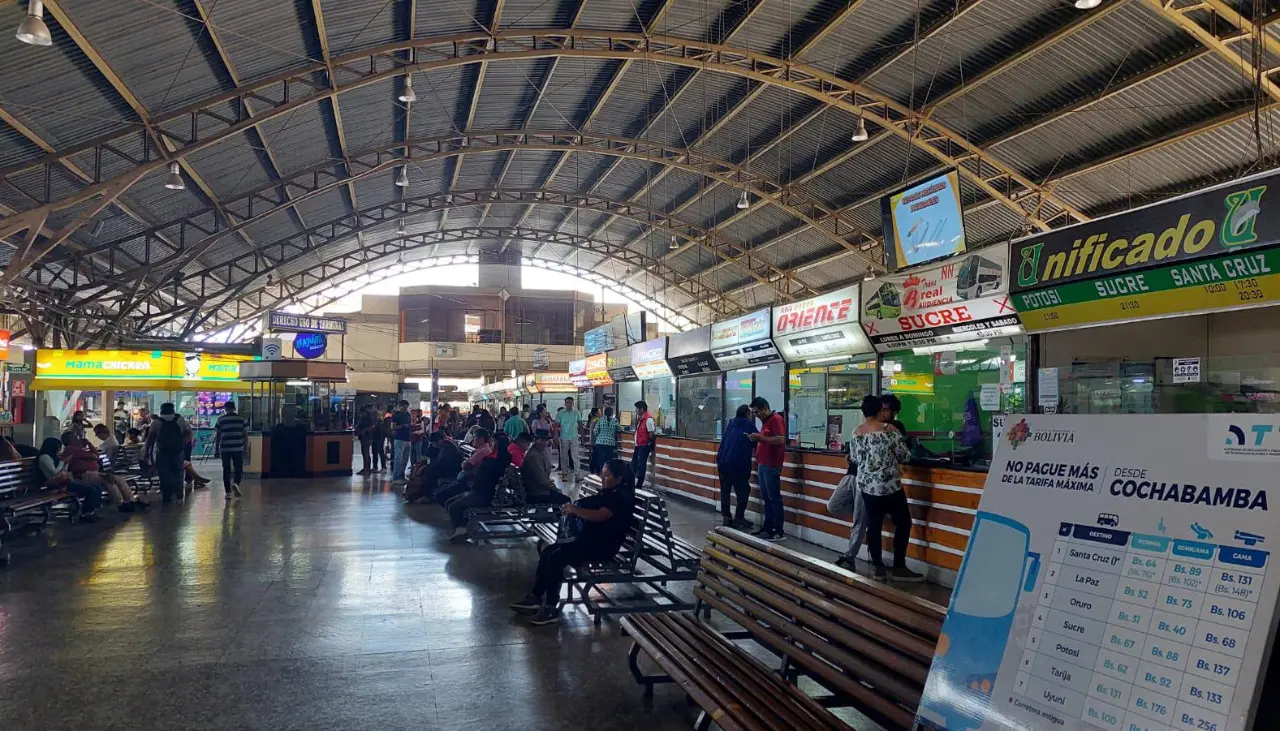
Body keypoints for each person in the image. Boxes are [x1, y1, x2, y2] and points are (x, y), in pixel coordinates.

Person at [510, 458, 637, 625]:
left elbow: (600, 515)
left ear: (619, 479)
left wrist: (575, 510)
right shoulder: (612, 492)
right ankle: (536, 596)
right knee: (549, 551)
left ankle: (550, 607)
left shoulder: (621, 497)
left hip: (603, 547)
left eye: (606, 475)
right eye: (602, 474)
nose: (602, 478)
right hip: (592, 540)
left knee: (557, 557)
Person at [849, 395, 921, 583]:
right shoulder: (889, 430)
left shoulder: (856, 432)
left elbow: (855, 459)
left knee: (874, 525)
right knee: (903, 523)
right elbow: (904, 455)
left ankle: (878, 568)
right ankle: (899, 567)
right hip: (889, 486)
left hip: (866, 487)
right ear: (879, 410)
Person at [447, 432, 511, 543]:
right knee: (450, 502)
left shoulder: (494, 462)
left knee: (453, 506)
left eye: (494, 442)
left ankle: (462, 529)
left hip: (482, 494)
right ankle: (460, 528)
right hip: (479, 491)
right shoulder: (497, 459)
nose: (491, 444)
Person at [826, 430, 869, 573]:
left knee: (859, 521)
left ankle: (849, 558)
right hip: (851, 474)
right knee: (833, 506)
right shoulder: (861, 429)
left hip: (865, 479)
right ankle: (866, 513)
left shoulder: (887, 430)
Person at [71, 429, 144, 512]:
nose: (79, 438)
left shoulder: (80, 448)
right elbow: (95, 456)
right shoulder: (72, 449)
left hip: (94, 473)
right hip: (84, 474)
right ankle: (120, 504)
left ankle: (132, 501)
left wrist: (89, 444)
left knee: (119, 479)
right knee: (109, 480)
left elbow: (96, 455)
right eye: (76, 436)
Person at [747, 397, 787, 542]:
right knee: (767, 499)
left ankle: (779, 531)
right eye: (753, 413)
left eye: (757, 412)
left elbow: (780, 439)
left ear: (764, 408)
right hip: (763, 464)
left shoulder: (776, 419)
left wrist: (760, 438)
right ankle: (767, 528)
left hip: (772, 465)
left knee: (774, 499)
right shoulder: (765, 422)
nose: (756, 415)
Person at [37, 437, 102, 521]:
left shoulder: (53, 457)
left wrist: (66, 463)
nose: (60, 450)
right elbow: (54, 473)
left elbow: (62, 471)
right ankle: (86, 514)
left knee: (96, 488)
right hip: (55, 485)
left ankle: (92, 512)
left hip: (63, 482)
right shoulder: (44, 457)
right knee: (91, 490)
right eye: (58, 448)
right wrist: (63, 462)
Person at [716, 404, 758, 529]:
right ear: (747, 414)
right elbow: (757, 440)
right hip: (738, 464)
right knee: (744, 491)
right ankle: (739, 518)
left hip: (723, 462)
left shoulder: (730, 424)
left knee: (725, 491)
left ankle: (727, 518)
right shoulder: (748, 425)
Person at [146, 402, 192, 504]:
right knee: (178, 472)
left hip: (162, 453)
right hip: (178, 452)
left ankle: (167, 496)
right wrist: (182, 444)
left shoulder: (156, 423)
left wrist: (147, 452)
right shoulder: (180, 421)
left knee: (164, 474)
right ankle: (179, 495)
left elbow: (150, 440)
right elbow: (189, 435)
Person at [434, 428, 493, 506]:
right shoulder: (481, 450)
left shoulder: (483, 452)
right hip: (465, 479)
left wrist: (464, 463)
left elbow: (466, 466)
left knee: (441, 495)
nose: (472, 439)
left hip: (468, 483)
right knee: (440, 490)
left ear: (481, 438)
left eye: (474, 437)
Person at [405, 431, 464, 503]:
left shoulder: (447, 447)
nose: (433, 445)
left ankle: (427, 495)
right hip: (451, 468)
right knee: (427, 469)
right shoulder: (446, 445)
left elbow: (441, 462)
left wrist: (429, 465)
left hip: (453, 470)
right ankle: (419, 493)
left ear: (439, 440)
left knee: (429, 471)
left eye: (434, 443)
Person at [520, 429, 568, 506]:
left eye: (545, 440)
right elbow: (542, 479)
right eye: (541, 440)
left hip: (537, 490)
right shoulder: (534, 456)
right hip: (536, 493)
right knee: (566, 501)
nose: (544, 443)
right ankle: (559, 517)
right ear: (535, 440)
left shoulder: (538, 452)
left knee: (559, 497)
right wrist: (555, 489)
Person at [215, 400, 247, 500]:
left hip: (225, 448)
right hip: (238, 447)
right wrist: (245, 446)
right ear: (234, 408)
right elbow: (245, 434)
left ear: (225, 409)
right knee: (238, 468)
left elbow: (218, 435)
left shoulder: (221, 420)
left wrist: (216, 449)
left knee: (226, 469)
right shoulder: (242, 419)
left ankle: (228, 492)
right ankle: (236, 483)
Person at [555, 397, 583, 482]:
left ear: (573, 403)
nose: (569, 404)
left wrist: (582, 436)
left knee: (575, 456)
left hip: (574, 437)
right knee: (564, 457)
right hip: (564, 437)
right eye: (567, 403)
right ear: (565, 404)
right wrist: (555, 436)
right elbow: (556, 426)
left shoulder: (577, 413)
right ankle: (564, 474)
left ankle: (577, 475)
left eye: (571, 402)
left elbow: (580, 424)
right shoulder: (560, 413)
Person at [631, 400, 657, 489]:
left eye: (637, 409)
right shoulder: (641, 419)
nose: (636, 411)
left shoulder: (648, 419)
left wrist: (648, 444)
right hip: (638, 445)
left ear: (641, 409)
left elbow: (651, 434)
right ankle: (632, 482)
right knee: (634, 464)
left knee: (641, 465)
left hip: (644, 446)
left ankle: (639, 485)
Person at [590, 406, 620, 474]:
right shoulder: (615, 420)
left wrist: (600, 437)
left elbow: (595, 431)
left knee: (600, 459)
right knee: (609, 460)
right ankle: (608, 474)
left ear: (604, 413)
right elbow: (619, 429)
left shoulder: (600, 420)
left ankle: (601, 474)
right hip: (610, 443)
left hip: (600, 442)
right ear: (612, 413)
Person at [390, 400, 413, 485]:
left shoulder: (407, 414)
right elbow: (393, 427)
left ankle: (401, 476)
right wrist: (403, 426)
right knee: (398, 459)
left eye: (407, 407)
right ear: (400, 406)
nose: (406, 409)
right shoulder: (396, 415)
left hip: (408, 439)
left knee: (405, 459)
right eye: (404, 407)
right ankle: (396, 477)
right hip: (400, 439)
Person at [356, 405, 377, 475]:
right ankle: (365, 468)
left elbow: (373, 426)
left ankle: (366, 469)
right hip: (363, 437)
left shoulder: (368, 418)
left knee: (366, 453)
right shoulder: (362, 418)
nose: (361, 414)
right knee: (364, 453)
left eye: (362, 413)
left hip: (367, 437)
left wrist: (364, 430)